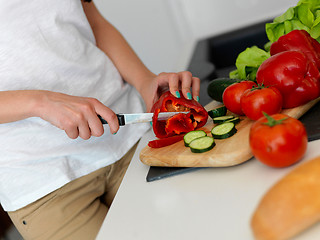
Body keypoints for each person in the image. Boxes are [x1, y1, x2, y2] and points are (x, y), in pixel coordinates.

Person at [0, 0, 201, 239]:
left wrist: (144, 81)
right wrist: (40, 102)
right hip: (44, 182)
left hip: (132, 142)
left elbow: (93, 22)